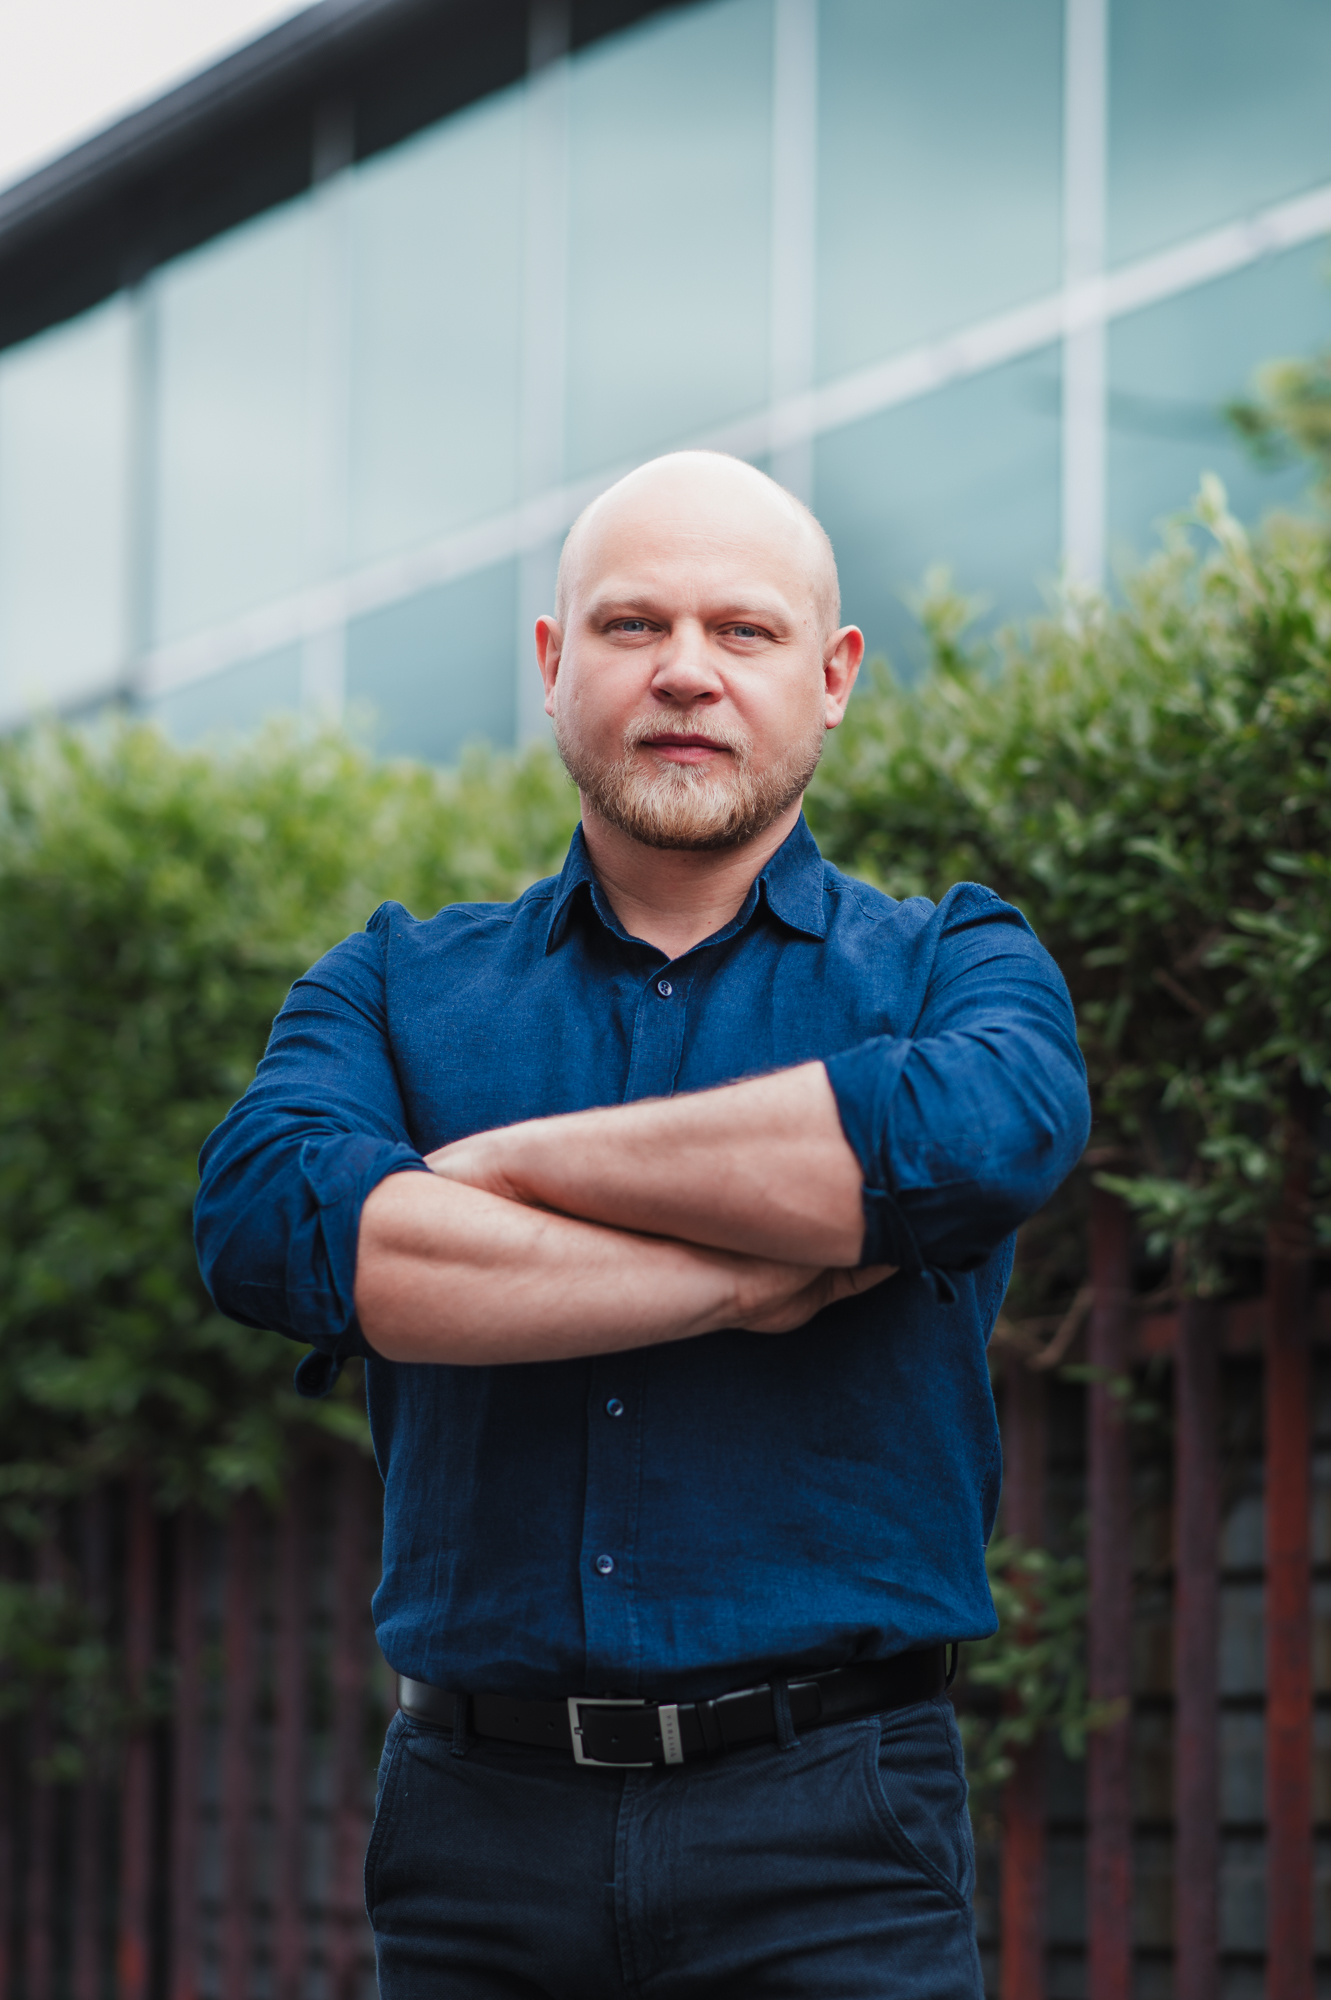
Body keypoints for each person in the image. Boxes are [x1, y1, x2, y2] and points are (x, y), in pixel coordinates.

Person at [195, 450, 1090, 1999]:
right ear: (553, 667)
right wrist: (748, 1279)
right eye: (629, 627)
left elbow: (972, 1137)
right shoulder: (397, 982)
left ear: (832, 678)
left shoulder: (954, 964)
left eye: (741, 633)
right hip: (478, 1840)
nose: (684, 672)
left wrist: (495, 1165)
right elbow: (276, 1220)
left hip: (837, 1831)